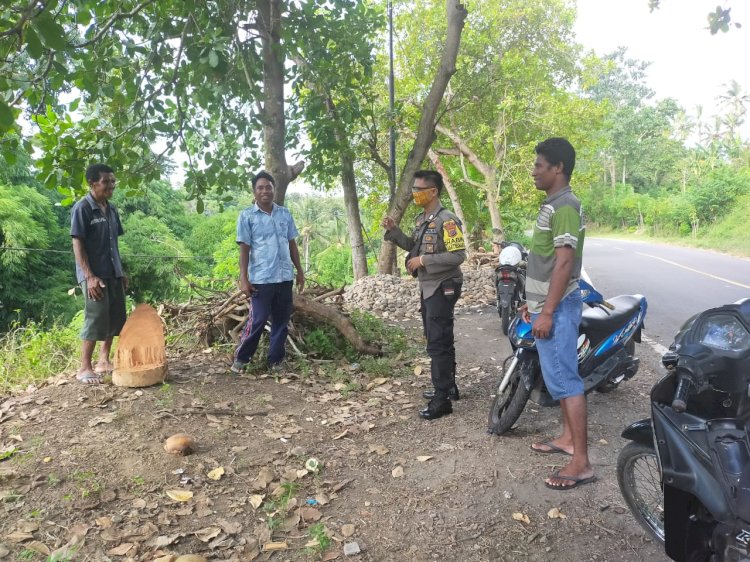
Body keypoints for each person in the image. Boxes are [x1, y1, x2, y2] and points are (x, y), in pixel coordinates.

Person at [519, 137, 594, 490]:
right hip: (549, 305)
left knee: (566, 381)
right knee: (560, 381)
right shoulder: (553, 204)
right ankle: (567, 440)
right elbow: (546, 262)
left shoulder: (565, 205)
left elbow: (564, 262)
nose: (533, 171)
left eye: (539, 165)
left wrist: (546, 312)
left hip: (559, 308)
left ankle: (581, 463)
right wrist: (532, 302)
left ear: (558, 168)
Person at [381, 170, 466, 420]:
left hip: (442, 285)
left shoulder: (447, 221)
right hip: (429, 286)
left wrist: (423, 260)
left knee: (437, 342)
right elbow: (413, 245)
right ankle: (448, 386)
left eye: (419, 189)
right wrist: (395, 230)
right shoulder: (422, 219)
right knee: (439, 337)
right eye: (414, 189)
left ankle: (442, 401)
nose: (415, 193)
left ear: (433, 192)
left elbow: (458, 256)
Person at [230, 171, 305, 373]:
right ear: (254, 192)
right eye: (260, 187)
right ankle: (241, 359)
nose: (265, 191)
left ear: (274, 190)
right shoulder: (247, 216)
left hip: (284, 276)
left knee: (281, 321)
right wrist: (243, 278)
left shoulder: (284, 214)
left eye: (268, 187)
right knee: (259, 319)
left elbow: (292, 243)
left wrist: (299, 270)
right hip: (261, 278)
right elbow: (244, 249)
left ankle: (275, 362)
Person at [70, 163, 128, 384]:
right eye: (106, 181)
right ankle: (84, 367)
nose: (111, 185)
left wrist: (121, 272)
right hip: (94, 275)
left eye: (113, 181)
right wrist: (89, 276)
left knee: (115, 317)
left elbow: (114, 244)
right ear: (92, 183)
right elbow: (78, 244)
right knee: (96, 318)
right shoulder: (82, 208)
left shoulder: (111, 209)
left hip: (113, 272)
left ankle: (103, 360)